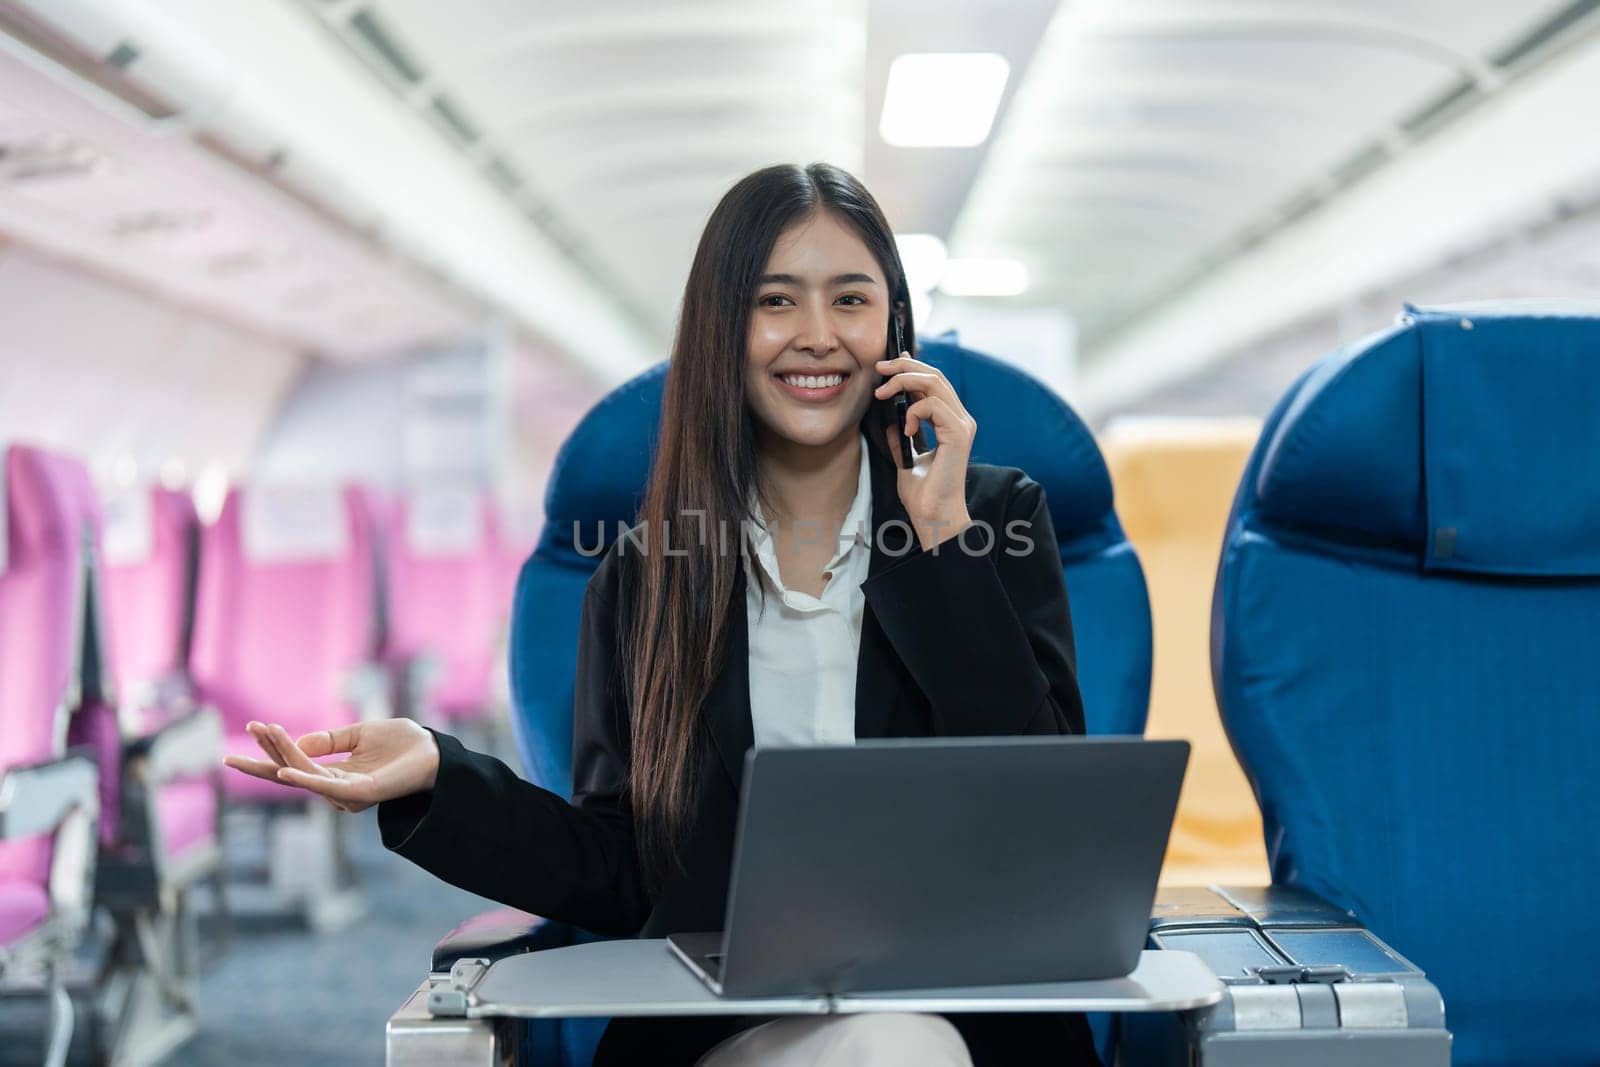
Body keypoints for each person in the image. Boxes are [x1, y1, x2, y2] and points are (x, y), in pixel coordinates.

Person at [227, 162, 1099, 1066]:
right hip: (727, 1021)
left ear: (895, 330)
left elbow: (1049, 819)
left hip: (969, 1007)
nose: (816, 336)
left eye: (850, 300)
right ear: (722, 329)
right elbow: (621, 865)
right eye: (774, 302)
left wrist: (944, 540)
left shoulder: (990, 521)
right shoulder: (648, 574)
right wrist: (436, 777)